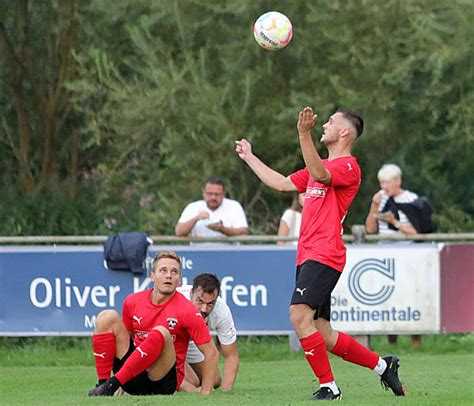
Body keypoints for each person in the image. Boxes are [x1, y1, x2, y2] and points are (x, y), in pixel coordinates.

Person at [235, 106, 406, 400]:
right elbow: (282, 183)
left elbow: (319, 172)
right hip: (308, 255)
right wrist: (250, 156)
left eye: (330, 122)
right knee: (322, 332)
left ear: (344, 132)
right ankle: (383, 366)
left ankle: (329, 387)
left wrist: (304, 134)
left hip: (325, 254)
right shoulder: (320, 166)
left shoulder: (348, 166)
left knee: (298, 316)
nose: (323, 125)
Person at [88, 250, 219, 397]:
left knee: (161, 332)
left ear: (179, 280)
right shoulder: (132, 301)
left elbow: (211, 352)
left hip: (162, 381)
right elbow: (127, 339)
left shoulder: (188, 310)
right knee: (106, 317)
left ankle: (111, 384)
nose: (169, 275)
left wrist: (206, 392)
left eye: (174, 272)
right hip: (134, 376)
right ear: (152, 276)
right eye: (163, 270)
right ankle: (103, 386)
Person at [365, 163, 422, 348]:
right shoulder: (379, 200)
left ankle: (416, 344)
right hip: (385, 257)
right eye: (381, 182)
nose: (383, 187)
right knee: (389, 300)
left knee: (411, 299)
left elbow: (417, 231)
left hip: (408, 256)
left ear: (398, 181)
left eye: (387, 182)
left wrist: (395, 223)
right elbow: (370, 229)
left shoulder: (412, 199)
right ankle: (393, 344)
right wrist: (374, 206)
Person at [179, 274, 239, 392]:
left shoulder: (221, 311)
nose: (204, 309)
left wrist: (225, 391)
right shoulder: (176, 300)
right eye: (200, 301)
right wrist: (191, 388)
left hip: (193, 343)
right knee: (193, 381)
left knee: (215, 380)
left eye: (210, 303)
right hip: (171, 344)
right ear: (191, 294)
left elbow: (231, 355)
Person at [175, 176, 249, 241]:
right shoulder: (193, 207)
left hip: (228, 253)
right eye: (209, 194)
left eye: (217, 194)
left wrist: (222, 229)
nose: (213, 197)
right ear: (203, 193)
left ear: (223, 194)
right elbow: (179, 232)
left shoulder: (234, 206)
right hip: (198, 253)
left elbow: (243, 232)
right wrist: (196, 218)